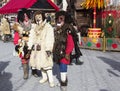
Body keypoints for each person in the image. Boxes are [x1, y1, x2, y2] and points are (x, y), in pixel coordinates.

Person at [27, 11, 55, 87]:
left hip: (44, 48)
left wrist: (48, 48)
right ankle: (44, 77)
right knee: (40, 64)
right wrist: (29, 47)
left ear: (42, 17)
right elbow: (31, 38)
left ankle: (51, 80)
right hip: (36, 49)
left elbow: (50, 38)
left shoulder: (47, 26)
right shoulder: (34, 27)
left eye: (39, 17)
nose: (38, 19)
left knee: (47, 65)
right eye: (36, 18)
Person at [12, 8, 37, 79]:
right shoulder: (18, 25)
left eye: (26, 15)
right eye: (24, 16)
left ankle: (34, 71)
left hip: (31, 43)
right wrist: (17, 42)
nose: (25, 17)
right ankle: (25, 73)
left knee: (33, 57)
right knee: (24, 58)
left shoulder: (32, 24)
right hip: (22, 44)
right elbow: (16, 35)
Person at [53, 11, 75, 91]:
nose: (59, 20)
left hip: (65, 52)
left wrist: (68, 53)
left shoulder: (67, 29)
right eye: (58, 18)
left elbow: (71, 43)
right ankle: (64, 79)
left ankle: (64, 84)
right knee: (60, 66)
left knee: (63, 66)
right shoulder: (56, 29)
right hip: (58, 52)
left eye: (61, 18)